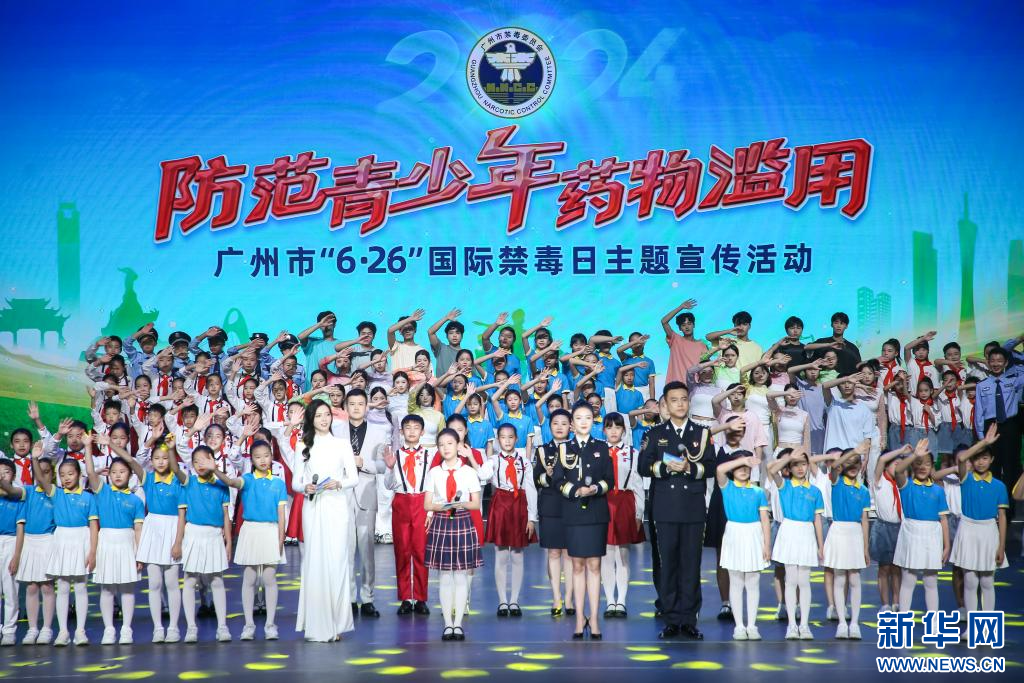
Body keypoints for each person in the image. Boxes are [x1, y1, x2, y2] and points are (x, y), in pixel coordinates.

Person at [639, 381, 716, 641]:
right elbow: (643, 466)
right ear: (665, 404)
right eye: (674, 400)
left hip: (693, 507)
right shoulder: (654, 433)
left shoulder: (701, 433)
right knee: (668, 564)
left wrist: (689, 469)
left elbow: (710, 466)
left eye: (684, 399)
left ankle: (689, 620)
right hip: (665, 507)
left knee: (691, 565)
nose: (680, 404)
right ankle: (671, 619)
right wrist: (667, 467)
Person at [292, 400, 359, 642]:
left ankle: (337, 624)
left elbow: (353, 478)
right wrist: (306, 487)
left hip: (337, 506)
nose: (324, 419)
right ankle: (316, 624)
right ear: (311, 419)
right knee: (315, 562)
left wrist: (339, 483)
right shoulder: (303, 445)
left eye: (327, 414)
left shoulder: (341, 444)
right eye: (319, 415)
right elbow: (296, 482)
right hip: (313, 506)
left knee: (337, 562)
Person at [211, 441, 288, 640]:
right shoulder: (247, 479)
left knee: (269, 578)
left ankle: (270, 624)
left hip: (270, 531)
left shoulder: (278, 483)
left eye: (266, 455)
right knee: (250, 578)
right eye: (258, 456)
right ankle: (249, 624)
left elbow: (281, 514)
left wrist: (281, 538)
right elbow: (230, 482)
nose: (263, 460)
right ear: (252, 460)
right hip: (251, 531)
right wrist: (215, 470)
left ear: (272, 457)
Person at [553, 403, 614, 640]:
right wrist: (575, 491)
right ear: (572, 423)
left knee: (595, 566)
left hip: (596, 512)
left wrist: (596, 488)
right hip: (573, 513)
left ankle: (594, 619)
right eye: (579, 418)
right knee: (577, 565)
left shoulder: (601, 447)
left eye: (588, 417)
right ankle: (579, 618)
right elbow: (558, 480)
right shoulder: (564, 448)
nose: (584, 422)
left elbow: (609, 480)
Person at [119, 429, 186, 644]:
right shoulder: (147, 479)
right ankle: (158, 627)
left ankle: (173, 627)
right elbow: (131, 460)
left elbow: (182, 515)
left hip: (173, 528)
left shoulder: (178, 481)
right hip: (153, 529)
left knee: (172, 582)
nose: (161, 462)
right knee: (155, 583)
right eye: (156, 458)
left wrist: (178, 541)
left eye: (164, 458)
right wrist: (108, 443)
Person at [334, 389, 390, 618]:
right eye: (352, 404)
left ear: (367, 407)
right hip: (342, 495)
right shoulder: (336, 430)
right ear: (345, 407)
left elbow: (383, 466)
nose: (356, 407)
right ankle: (348, 598)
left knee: (367, 551)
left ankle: (367, 598)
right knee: (346, 550)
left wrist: (362, 462)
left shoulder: (380, 431)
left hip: (366, 494)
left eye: (360, 404)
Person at [424, 428, 484, 641]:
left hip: (462, 521)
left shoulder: (468, 472)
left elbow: (476, 503)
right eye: (441, 445)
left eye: (450, 443)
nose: (445, 448)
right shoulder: (434, 472)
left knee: (460, 575)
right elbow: (427, 504)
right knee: (444, 576)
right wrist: (444, 506)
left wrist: (459, 504)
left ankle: (458, 624)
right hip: (441, 522)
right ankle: (447, 624)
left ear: (458, 445)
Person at [83, 439, 145, 645]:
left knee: (127, 588)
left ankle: (126, 628)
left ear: (130, 475)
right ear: (109, 475)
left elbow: (138, 529)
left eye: (122, 472)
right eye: (114, 472)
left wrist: (140, 554)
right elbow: (90, 473)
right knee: (107, 588)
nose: (118, 475)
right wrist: (88, 446)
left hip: (127, 542)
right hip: (106, 542)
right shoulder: (103, 492)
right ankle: (109, 629)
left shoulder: (136, 500)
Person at [37, 452, 97, 648]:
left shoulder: (88, 497)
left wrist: (93, 552)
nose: (66, 478)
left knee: (80, 586)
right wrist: (34, 459)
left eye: (70, 474)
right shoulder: (57, 493)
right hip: (62, 539)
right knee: (62, 587)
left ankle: (80, 631)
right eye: (62, 475)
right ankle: (62, 631)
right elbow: (41, 479)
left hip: (82, 539)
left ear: (78, 474)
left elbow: (93, 526)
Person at [175, 444, 233, 643]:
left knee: (216, 580)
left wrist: (228, 542)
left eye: (204, 460)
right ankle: (191, 627)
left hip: (214, 534)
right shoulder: (189, 483)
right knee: (190, 580)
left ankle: (222, 626)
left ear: (212, 459)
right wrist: (178, 542)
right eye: (196, 461)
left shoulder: (221, 485)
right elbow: (182, 516)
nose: (200, 464)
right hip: (193, 534)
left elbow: (226, 516)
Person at [2, 443, 57, 645]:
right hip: (29, 543)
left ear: (52, 474)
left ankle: (47, 628)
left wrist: (34, 459)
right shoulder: (28, 491)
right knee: (32, 587)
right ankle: (32, 629)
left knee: (47, 587)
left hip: (48, 541)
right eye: (38, 472)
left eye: (46, 472)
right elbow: (10, 490)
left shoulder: (55, 492)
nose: (41, 476)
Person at [768, 448, 825, 640]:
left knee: (804, 581)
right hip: (789, 531)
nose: (800, 468)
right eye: (795, 464)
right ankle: (792, 625)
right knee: (791, 580)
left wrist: (821, 545)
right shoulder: (785, 485)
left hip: (807, 533)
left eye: (803, 464)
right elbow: (771, 470)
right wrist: (789, 458)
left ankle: (805, 625)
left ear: (808, 465)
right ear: (789, 468)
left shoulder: (815, 491)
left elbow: (817, 520)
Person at [949, 426, 1007, 613]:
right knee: (970, 581)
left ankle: (987, 625)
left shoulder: (999, 486)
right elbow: (961, 459)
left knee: (987, 581)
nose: (981, 462)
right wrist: (984, 442)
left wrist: (1001, 546)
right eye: (977, 458)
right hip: (968, 530)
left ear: (992, 460)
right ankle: (972, 623)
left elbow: (1002, 517)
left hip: (989, 531)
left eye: (985, 458)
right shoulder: (966, 479)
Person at [891, 439, 950, 617]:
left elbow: (943, 519)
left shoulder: (938, 491)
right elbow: (898, 470)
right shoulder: (907, 485)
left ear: (932, 466)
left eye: (927, 464)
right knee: (908, 580)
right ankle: (903, 620)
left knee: (931, 582)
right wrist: (914, 455)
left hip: (932, 535)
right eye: (919, 463)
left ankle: (933, 622)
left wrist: (947, 545)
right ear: (913, 465)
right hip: (911, 533)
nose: (923, 467)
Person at [715, 450, 770, 641]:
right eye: (739, 466)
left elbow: (765, 519)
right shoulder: (727, 486)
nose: (743, 469)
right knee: (736, 581)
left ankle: (752, 625)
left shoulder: (758, 491)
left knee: (753, 581)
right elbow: (720, 469)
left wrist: (767, 544)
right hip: (734, 533)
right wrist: (742, 460)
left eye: (747, 466)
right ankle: (739, 626)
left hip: (754, 534)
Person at [485, 424, 537, 619]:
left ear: (517, 439)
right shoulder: (493, 460)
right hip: (500, 505)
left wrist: (532, 518)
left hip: (519, 506)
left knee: (517, 555)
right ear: (498, 440)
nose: (507, 441)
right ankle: (502, 601)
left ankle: (514, 600)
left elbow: (531, 489)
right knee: (500, 555)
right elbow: (482, 476)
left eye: (510, 437)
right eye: (503, 437)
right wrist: (473, 458)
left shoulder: (525, 462)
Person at [383, 414, 432, 615]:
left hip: (422, 503)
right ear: (401, 432)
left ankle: (420, 598)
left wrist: (430, 510)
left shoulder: (430, 455)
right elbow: (389, 485)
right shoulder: (395, 455)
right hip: (401, 502)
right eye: (408, 428)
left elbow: (433, 484)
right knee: (402, 552)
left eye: (416, 427)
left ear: (422, 431)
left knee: (421, 552)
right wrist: (389, 469)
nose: (412, 431)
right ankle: (405, 598)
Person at [824, 444, 872, 640]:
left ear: (861, 466)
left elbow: (864, 520)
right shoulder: (837, 481)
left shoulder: (864, 490)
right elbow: (835, 466)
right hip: (838, 531)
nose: (852, 465)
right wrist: (853, 453)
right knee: (839, 578)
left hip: (855, 534)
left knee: (855, 579)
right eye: (849, 462)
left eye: (856, 462)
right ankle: (842, 623)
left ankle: (854, 623)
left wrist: (865, 547)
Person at [600, 413, 645, 618]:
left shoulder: (633, 453)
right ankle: (610, 601)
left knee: (623, 555)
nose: (614, 431)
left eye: (617, 427)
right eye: (609, 427)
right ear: (604, 430)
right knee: (607, 555)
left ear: (624, 431)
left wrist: (639, 512)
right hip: (604, 502)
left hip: (625, 503)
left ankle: (622, 601)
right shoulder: (598, 452)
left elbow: (638, 484)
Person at [533, 408, 575, 617]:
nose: (559, 427)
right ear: (549, 427)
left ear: (571, 426)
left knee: (569, 553)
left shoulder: (576, 449)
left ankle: (570, 598)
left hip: (571, 504)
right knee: (554, 553)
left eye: (564, 423)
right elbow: (536, 479)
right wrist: (548, 476)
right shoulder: (543, 450)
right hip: (550, 506)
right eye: (555, 423)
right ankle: (556, 597)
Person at [973, 347, 1023, 512]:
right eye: (992, 361)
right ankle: (992, 506)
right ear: (987, 362)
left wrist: (1012, 348)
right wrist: (982, 439)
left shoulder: (1014, 380)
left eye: (1000, 360)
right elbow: (979, 412)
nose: (996, 364)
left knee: (1011, 466)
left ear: (1006, 362)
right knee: (993, 467)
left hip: (1010, 426)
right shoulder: (982, 385)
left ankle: (1008, 507)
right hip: (991, 427)